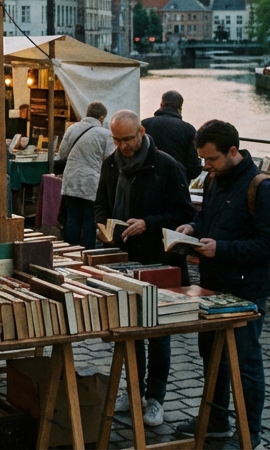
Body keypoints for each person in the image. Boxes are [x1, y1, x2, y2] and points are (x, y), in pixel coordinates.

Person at [173, 120, 270, 449]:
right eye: (203, 160)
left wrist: (222, 248)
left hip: (247, 289)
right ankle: (217, 420)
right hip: (213, 285)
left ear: (233, 151)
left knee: (245, 362)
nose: (205, 166)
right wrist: (193, 229)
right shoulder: (213, 179)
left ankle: (250, 435)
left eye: (211, 159)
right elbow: (206, 217)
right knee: (212, 355)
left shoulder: (262, 187)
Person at [94, 109, 195, 429]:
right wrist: (101, 225)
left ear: (141, 131)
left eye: (127, 139)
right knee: (130, 330)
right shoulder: (111, 164)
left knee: (158, 332)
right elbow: (100, 202)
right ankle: (134, 390)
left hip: (159, 259)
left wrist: (147, 223)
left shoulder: (166, 165)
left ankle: (156, 398)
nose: (122, 145)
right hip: (123, 256)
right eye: (117, 140)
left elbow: (183, 213)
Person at [56, 102, 115, 250]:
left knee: (72, 220)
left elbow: (62, 153)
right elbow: (110, 159)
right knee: (90, 221)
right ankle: (88, 254)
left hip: (71, 180)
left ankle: (70, 253)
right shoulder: (105, 134)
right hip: (91, 182)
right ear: (102, 117)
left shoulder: (72, 128)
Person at [143, 90, 201, 178]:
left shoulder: (143, 125)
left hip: (146, 181)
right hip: (176, 183)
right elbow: (193, 168)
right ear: (180, 108)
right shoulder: (188, 129)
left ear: (161, 104)